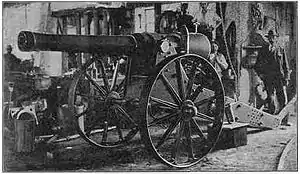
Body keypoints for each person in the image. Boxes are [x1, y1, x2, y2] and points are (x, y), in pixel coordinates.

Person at [254, 30, 290, 115]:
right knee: (270, 98)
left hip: (279, 77)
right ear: (268, 38)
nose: (272, 38)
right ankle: (272, 117)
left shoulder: (280, 49)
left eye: (273, 37)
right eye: (270, 37)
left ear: (276, 38)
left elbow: (285, 65)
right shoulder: (263, 50)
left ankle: (284, 119)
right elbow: (257, 65)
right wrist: (261, 75)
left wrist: (287, 78)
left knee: (282, 98)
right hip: (268, 77)